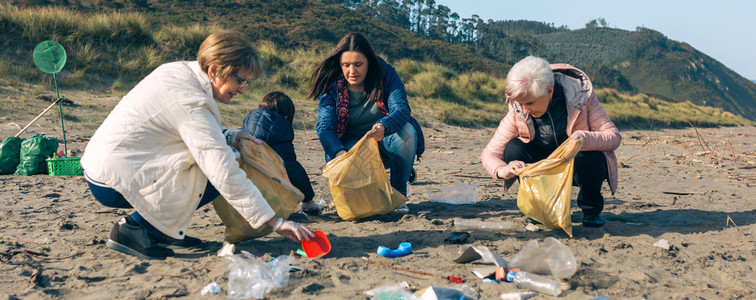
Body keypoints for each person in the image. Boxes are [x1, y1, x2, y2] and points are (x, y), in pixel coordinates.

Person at [80, 30, 315, 260]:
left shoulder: (179, 71)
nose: (242, 90)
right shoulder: (191, 102)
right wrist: (275, 222)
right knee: (220, 167)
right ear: (214, 70)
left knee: (219, 156)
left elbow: (177, 128)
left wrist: (230, 136)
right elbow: (222, 170)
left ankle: (160, 229)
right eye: (239, 80)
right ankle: (133, 228)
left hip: (109, 164)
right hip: (112, 181)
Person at [481, 56, 621, 227]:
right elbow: (490, 153)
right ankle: (538, 208)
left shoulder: (581, 97)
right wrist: (503, 170)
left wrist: (583, 138)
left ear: (549, 91)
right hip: (541, 168)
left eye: (530, 103)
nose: (525, 110)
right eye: (521, 103)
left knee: (592, 155)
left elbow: (613, 137)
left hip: (574, 167)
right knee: (514, 149)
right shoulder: (518, 110)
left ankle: (591, 211)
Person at [308, 32, 424, 196]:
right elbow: (324, 127)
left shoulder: (386, 74)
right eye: (346, 65)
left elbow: (401, 108)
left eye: (358, 64)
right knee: (362, 198)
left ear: (369, 62)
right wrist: (340, 154)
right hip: (350, 149)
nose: (352, 71)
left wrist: (384, 126)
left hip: (384, 142)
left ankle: (398, 193)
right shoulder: (331, 84)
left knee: (407, 130)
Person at [240, 91, 320, 215]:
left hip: (240, 196)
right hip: (267, 202)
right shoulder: (279, 139)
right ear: (286, 117)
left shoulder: (241, 132)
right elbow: (295, 172)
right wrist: (308, 201)